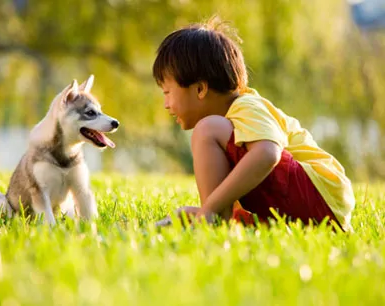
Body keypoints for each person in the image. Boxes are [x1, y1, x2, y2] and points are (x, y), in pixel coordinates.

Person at [152, 17, 355, 232]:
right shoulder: (232, 130)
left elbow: (268, 154)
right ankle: (217, 219)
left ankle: (213, 219)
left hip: (318, 195)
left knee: (206, 129)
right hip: (316, 208)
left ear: (200, 89)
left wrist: (209, 208)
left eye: (167, 92)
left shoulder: (246, 106)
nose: (166, 104)